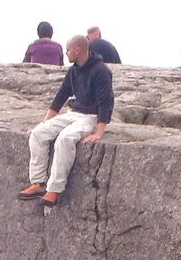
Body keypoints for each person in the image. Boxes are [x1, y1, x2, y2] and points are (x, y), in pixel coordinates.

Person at [17, 34, 113, 208]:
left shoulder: (101, 72)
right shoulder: (74, 70)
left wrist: (99, 132)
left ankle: (53, 189)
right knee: (39, 133)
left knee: (65, 139)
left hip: (90, 117)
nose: (66, 53)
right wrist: (45, 122)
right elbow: (61, 95)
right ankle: (38, 184)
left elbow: (105, 102)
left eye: (68, 49)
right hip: (73, 112)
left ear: (77, 50)